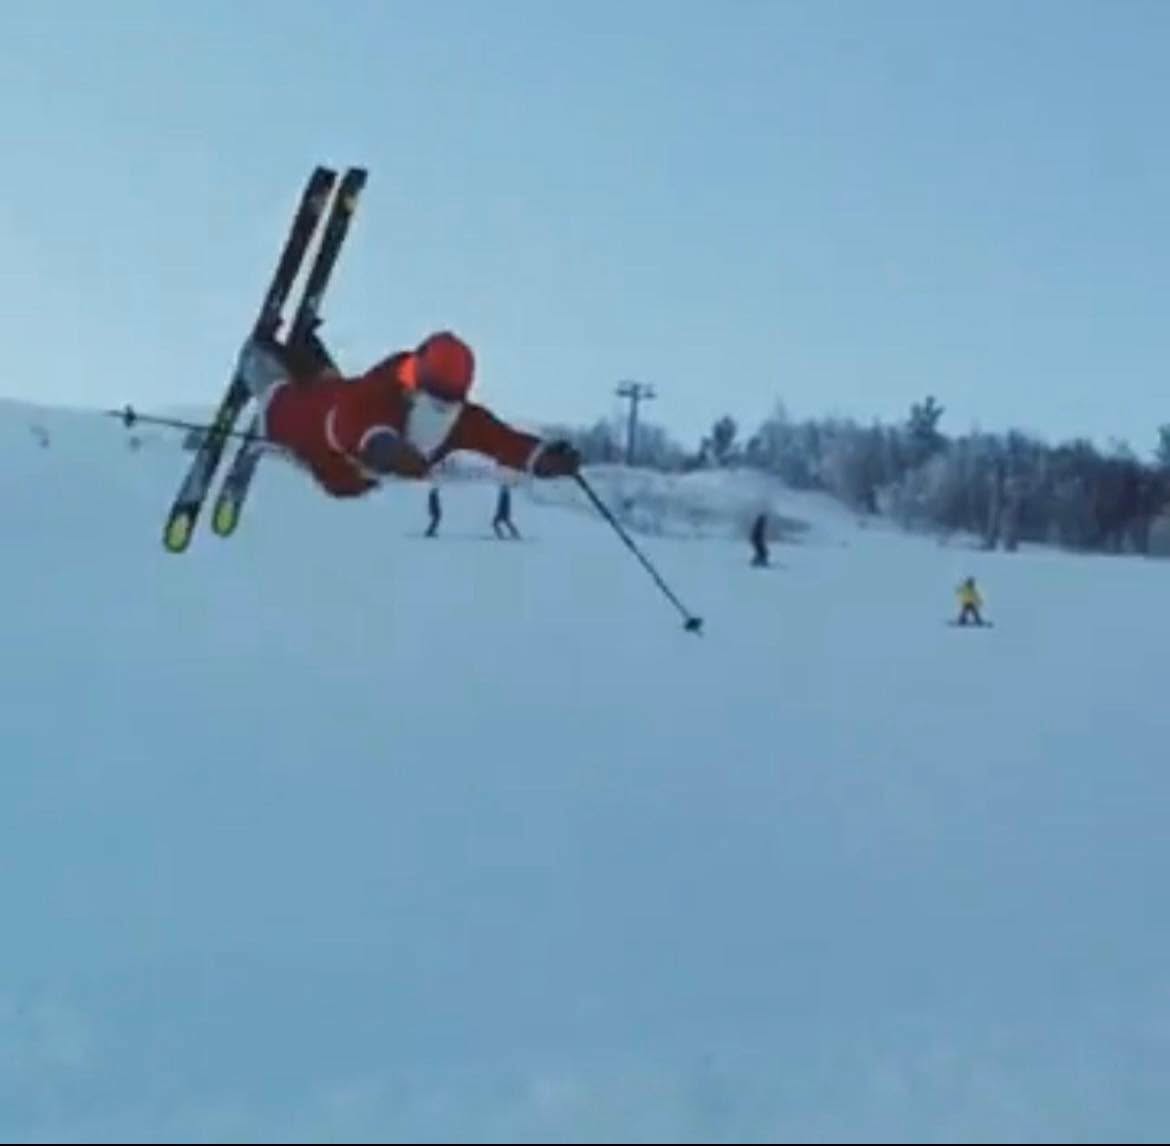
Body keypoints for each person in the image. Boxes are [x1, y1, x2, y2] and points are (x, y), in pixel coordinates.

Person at [235, 329, 580, 497]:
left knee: (317, 391)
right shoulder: (384, 392)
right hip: (304, 425)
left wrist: (543, 458)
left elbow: (501, 440)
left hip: (337, 470)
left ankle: (297, 353)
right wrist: (382, 447)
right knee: (291, 398)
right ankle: (263, 360)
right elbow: (350, 422)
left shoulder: (459, 420)